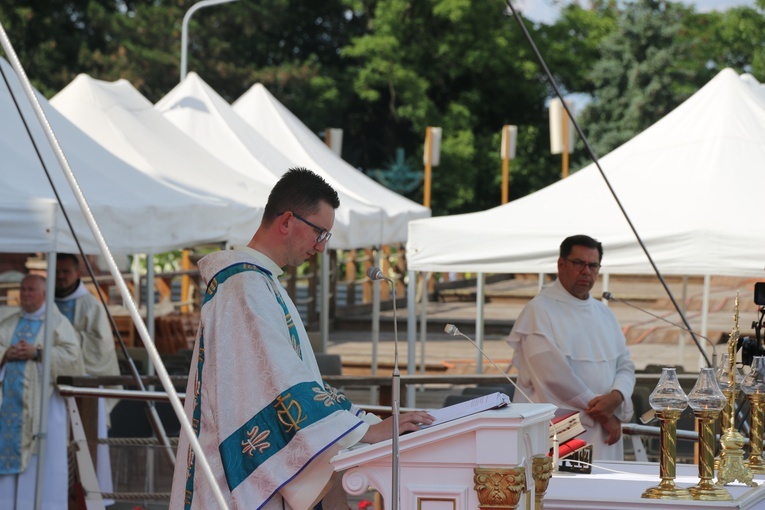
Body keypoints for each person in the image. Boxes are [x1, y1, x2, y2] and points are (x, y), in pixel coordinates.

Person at [169, 168, 434, 509]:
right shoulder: (243, 286)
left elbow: (296, 379)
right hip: (232, 480)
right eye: (320, 233)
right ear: (287, 221)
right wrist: (364, 431)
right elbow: (279, 385)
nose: (321, 248)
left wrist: (362, 423)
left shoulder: (260, 283)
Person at [507, 235, 635, 460]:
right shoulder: (539, 310)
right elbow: (553, 376)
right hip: (560, 432)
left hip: (604, 434)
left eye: (593, 265)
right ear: (561, 264)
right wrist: (604, 412)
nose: (586, 271)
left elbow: (625, 363)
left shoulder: (604, 313)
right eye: (578, 263)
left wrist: (617, 395)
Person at [0, 274, 85, 509]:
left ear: (44, 294)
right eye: (23, 289)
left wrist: (38, 353)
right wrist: (6, 354)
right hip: (9, 407)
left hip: (45, 407)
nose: (25, 294)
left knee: (44, 461)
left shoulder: (57, 324)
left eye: (31, 290)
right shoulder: (8, 324)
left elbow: (73, 357)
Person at [54, 253, 119, 504]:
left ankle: (92, 496)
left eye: (65, 272)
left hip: (85, 387)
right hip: (53, 386)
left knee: (85, 445)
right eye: (57, 272)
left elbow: (101, 349)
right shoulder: (46, 301)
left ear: (77, 273)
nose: (60, 277)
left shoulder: (90, 305)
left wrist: (66, 343)